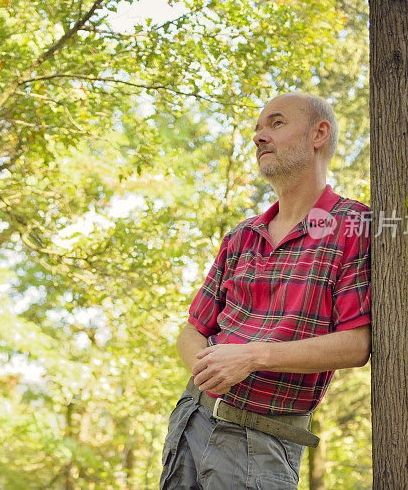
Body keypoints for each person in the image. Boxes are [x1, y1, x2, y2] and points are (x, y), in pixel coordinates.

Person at [159, 93, 372, 489]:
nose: (258, 137)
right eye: (257, 128)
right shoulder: (242, 235)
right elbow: (192, 330)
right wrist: (208, 370)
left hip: (261, 441)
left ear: (318, 134)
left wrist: (253, 356)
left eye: (275, 124)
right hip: (191, 422)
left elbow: (358, 345)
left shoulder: (352, 224)